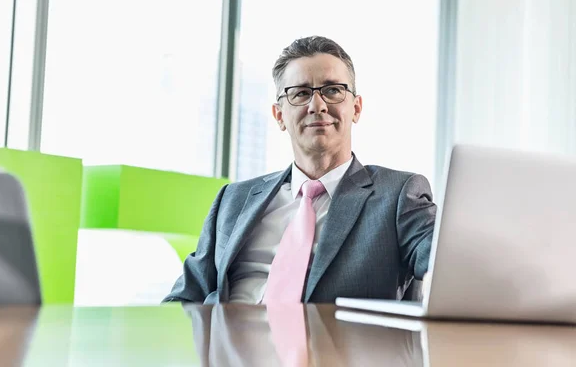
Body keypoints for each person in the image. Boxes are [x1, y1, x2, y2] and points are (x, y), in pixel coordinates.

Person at [163, 36, 436, 304]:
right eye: (301, 93)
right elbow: (186, 295)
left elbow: (448, 263)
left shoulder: (398, 195)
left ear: (356, 107)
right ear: (279, 115)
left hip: (332, 347)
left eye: (333, 90)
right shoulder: (233, 199)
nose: (317, 105)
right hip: (226, 343)